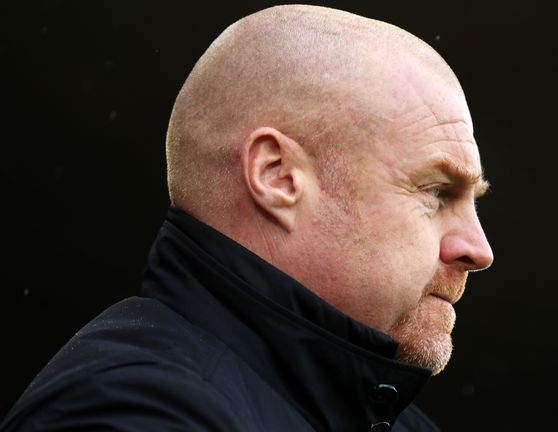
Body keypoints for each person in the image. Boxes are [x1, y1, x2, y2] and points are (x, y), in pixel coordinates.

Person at [1, 5, 493, 431]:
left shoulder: (382, 415)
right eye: (436, 191)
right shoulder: (133, 410)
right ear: (277, 177)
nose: (478, 249)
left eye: (473, 200)